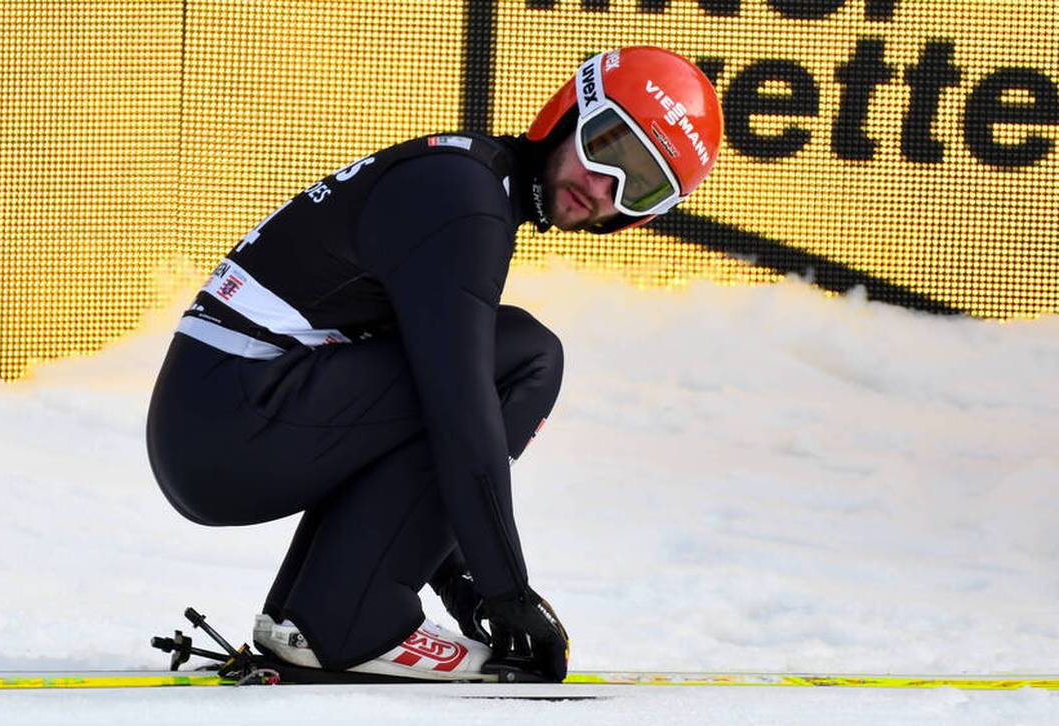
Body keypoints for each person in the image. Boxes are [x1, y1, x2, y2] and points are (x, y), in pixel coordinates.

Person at [146, 46, 722, 682]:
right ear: (566, 112)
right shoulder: (466, 203)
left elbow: (410, 421)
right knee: (525, 358)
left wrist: (461, 584)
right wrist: (507, 593)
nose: (602, 184)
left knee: (481, 360)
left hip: (223, 419)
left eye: (638, 184)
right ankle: (346, 622)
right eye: (606, 145)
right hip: (231, 422)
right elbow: (459, 412)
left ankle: (323, 617)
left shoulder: (468, 179)